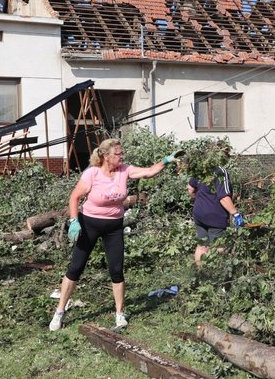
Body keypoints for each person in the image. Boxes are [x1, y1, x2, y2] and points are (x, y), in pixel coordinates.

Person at [49, 138, 180, 331]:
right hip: (89, 224)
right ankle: (59, 311)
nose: (122, 156)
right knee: (75, 268)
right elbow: (74, 197)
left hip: (113, 226)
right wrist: (74, 221)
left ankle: (120, 313)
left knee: (116, 270)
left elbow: (149, 172)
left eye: (121, 153)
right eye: (118, 154)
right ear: (106, 156)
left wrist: (166, 160)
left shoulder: (124, 170)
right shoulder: (92, 174)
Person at [188, 162, 245, 265]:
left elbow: (190, 189)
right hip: (215, 216)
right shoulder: (220, 171)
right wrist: (236, 214)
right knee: (219, 246)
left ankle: (200, 274)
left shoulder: (201, 167)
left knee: (201, 245)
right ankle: (216, 275)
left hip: (199, 214)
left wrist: (202, 201)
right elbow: (223, 197)